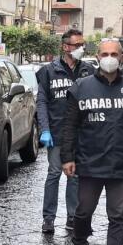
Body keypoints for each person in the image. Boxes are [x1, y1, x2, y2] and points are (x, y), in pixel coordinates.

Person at [60, 38, 123, 245]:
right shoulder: (81, 87)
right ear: (97, 56)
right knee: (84, 210)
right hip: (89, 162)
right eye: (105, 53)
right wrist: (68, 157)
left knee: (118, 214)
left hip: (121, 162)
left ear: (122, 58)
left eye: (114, 54)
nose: (109, 57)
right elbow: (70, 126)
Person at [35, 29, 93, 234]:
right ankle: (48, 218)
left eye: (82, 45)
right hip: (57, 133)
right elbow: (41, 102)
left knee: (75, 176)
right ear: (65, 47)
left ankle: (72, 216)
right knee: (53, 174)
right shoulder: (48, 71)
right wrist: (44, 129)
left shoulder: (88, 71)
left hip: (80, 135)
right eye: (77, 45)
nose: (81, 49)